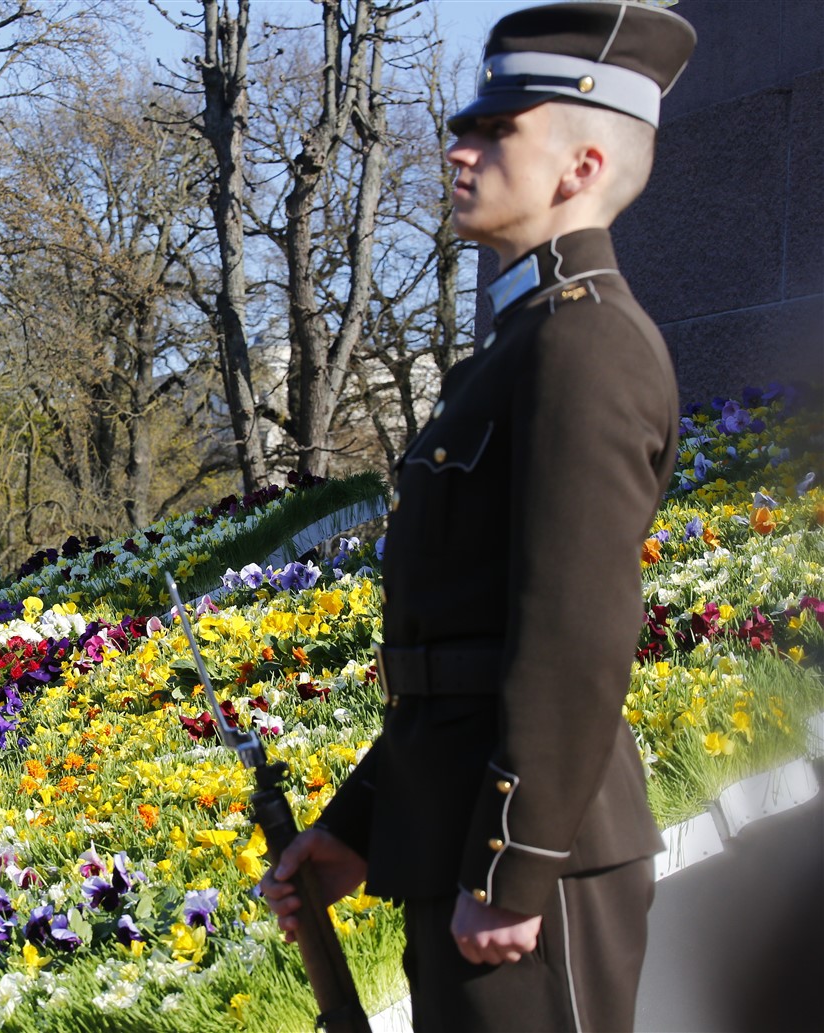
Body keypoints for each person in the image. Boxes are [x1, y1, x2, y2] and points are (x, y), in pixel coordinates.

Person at [261, 4, 696, 1029]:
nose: (459, 150)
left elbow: (571, 633)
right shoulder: (518, 349)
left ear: (581, 166)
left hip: (534, 868)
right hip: (462, 839)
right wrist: (361, 825)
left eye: (497, 131)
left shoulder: (584, 346)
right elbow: (453, 655)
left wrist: (513, 864)